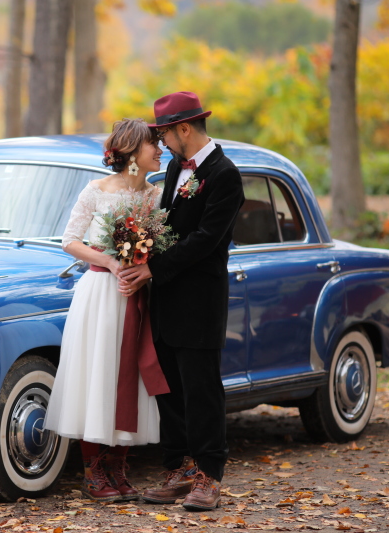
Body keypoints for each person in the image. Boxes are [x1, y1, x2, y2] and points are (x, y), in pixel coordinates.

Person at [118, 92, 245, 511]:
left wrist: (153, 268)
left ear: (184, 129)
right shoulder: (175, 168)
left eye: (164, 134)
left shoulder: (225, 174)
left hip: (201, 300)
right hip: (166, 298)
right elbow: (168, 226)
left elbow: (208, 240)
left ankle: (209, 476)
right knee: (168, 387)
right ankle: (179, 470)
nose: (162, 143)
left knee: (201, 389)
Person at [45, 118, 169, 502]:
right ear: (133, 151)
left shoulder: (154, 196)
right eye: (154, 145)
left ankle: (118, 466)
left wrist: (144, 273)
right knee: (97, 373)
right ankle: (94, 472)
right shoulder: (96, 190)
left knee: (130, 374)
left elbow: (160, 247)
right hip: (100, 292)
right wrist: (113, 263)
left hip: (136, 295)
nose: (160, 151)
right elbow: (70, 241)